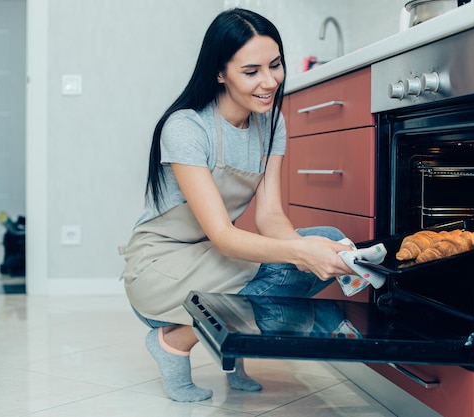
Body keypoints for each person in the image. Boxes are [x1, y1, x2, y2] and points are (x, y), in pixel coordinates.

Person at [119, 8, 356, 403]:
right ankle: (173, 340)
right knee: (288, 265)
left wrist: (309, 250)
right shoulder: (186, 128)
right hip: (161, 267)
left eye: (275, 65)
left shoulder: (271, 122)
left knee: (329, 239)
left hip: (212, 256)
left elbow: (270, 216)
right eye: (251, 72)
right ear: (220, 73)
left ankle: (235, 342)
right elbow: (225, 237)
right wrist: (298, 252)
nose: (269, 82)